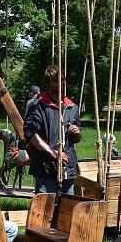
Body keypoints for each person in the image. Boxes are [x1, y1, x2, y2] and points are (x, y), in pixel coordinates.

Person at [24, 65, 81, 194]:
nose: (60, 83)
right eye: (55, 80)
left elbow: (76, 139)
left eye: (62, 79)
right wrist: (52, 152)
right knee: (44, 210)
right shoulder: (38, 105)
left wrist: (77, 133)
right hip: (46, 167)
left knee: (66, 211)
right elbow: (30, 133)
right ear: (48, 83)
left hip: (68, 169)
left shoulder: (72, 107)